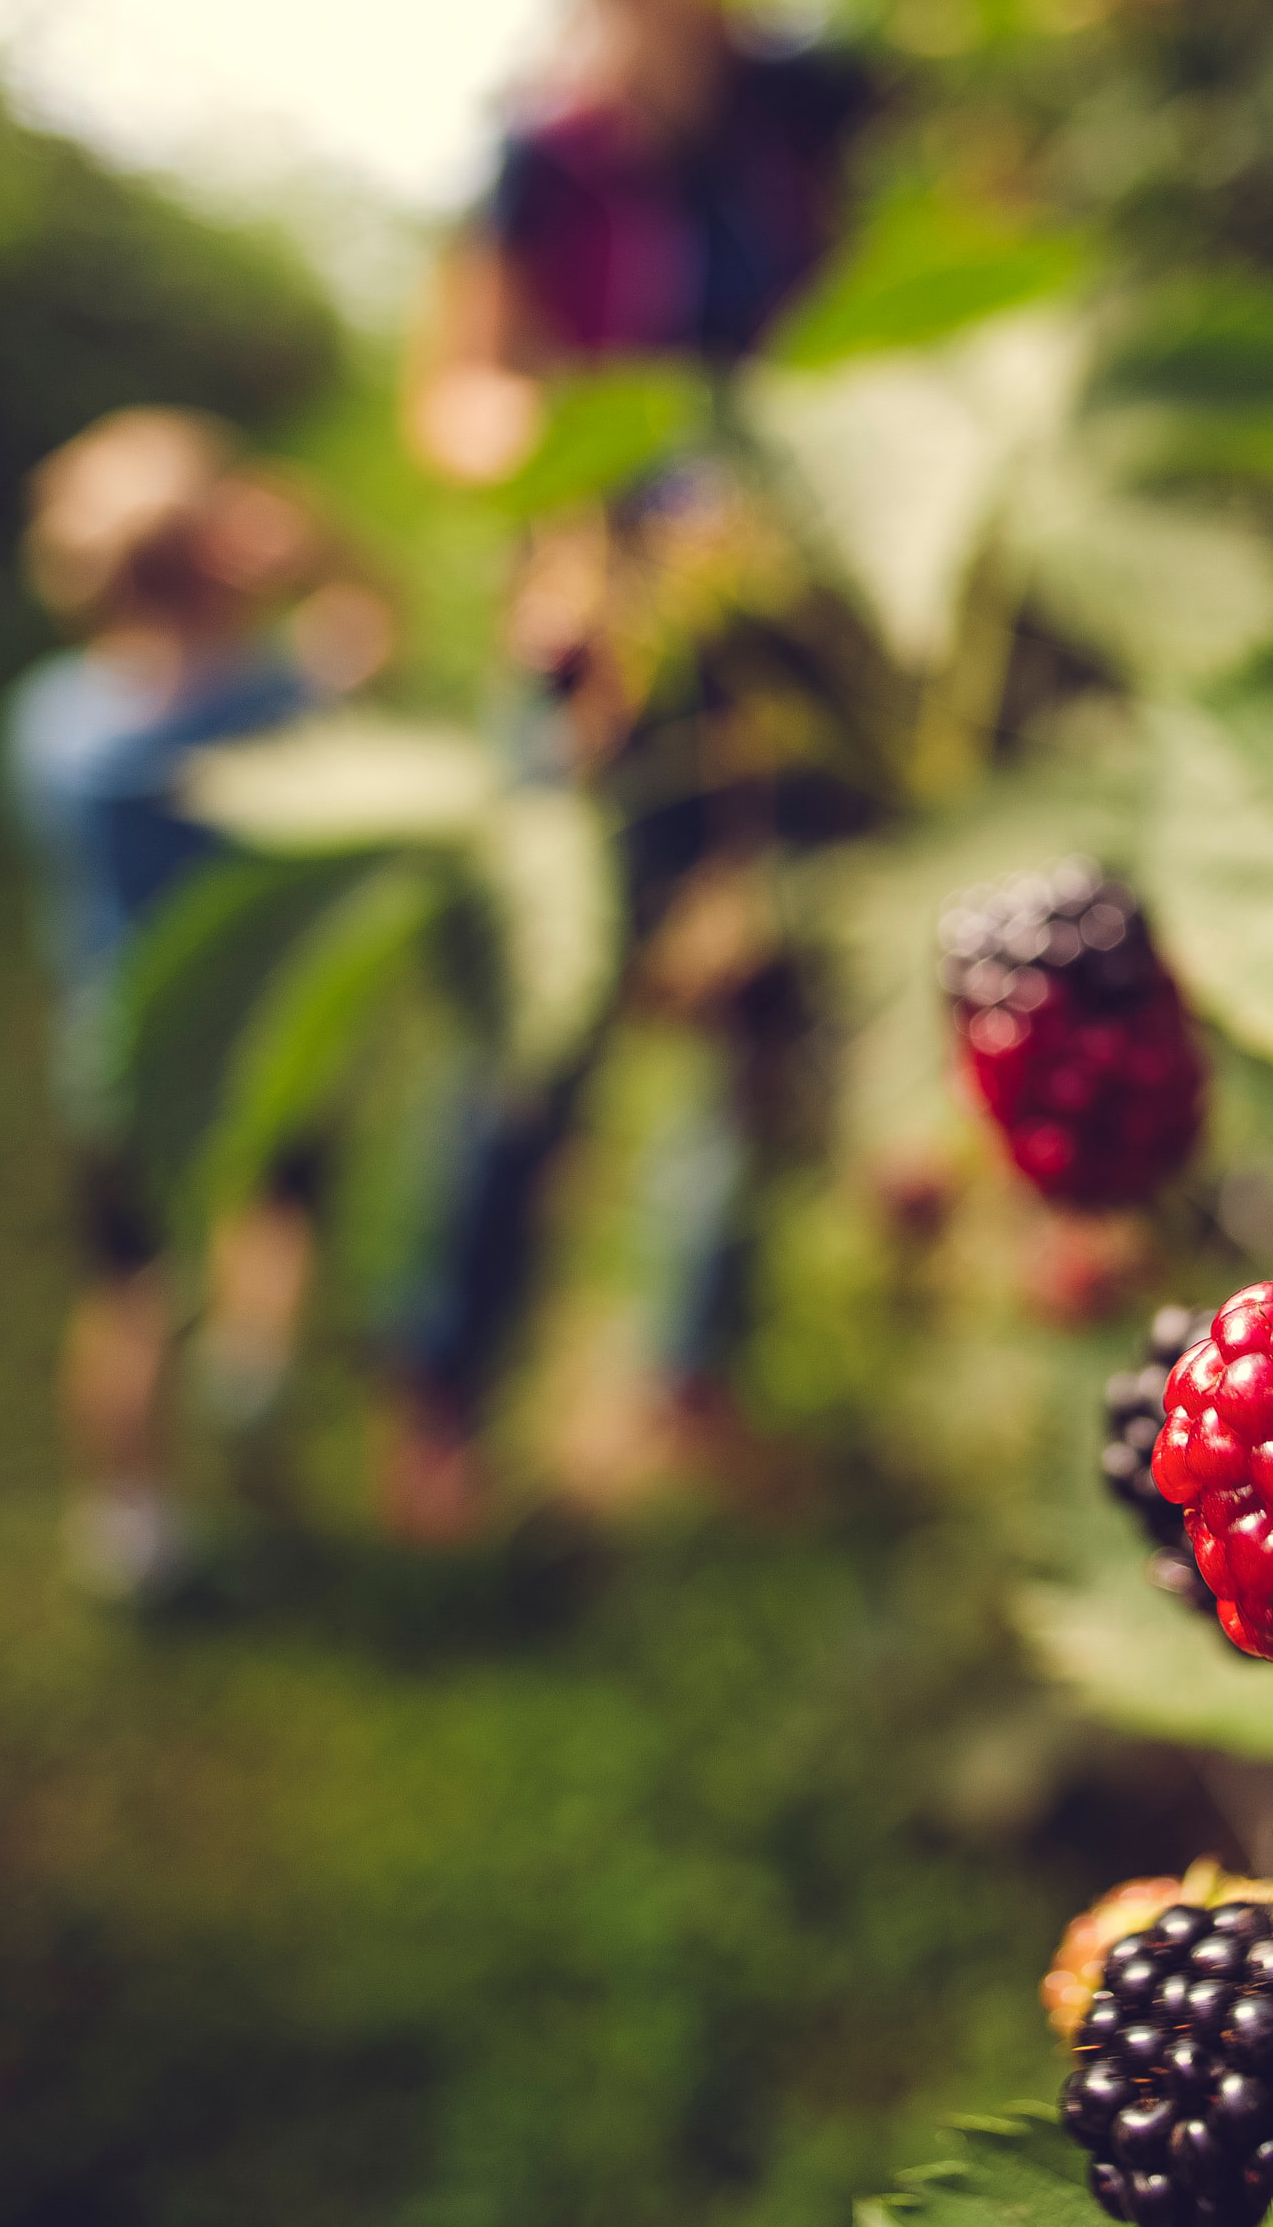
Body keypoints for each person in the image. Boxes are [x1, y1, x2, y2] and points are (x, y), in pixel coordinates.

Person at [396, 0, 865, 1524]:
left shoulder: (816, 112)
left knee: (761, 1004)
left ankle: (688, 1379)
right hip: (607, 650)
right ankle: (448, 1395)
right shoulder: (545, 155)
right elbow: (459, 392)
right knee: (540, 1015)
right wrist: (576, 484)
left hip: (796, 646)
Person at [6, 407, 392, 1596]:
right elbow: (376, 632)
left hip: (114, 1048)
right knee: (279, 1215)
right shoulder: (261, 709)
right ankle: (251, 1367)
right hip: (269, 1039)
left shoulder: (53, 721)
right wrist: (320, 547)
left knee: (128, 1291)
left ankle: (133, 1522)